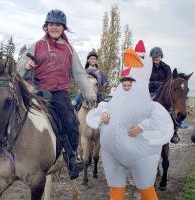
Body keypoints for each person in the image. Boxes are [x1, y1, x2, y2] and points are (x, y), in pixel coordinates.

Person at [86, 41, 173, 200]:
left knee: (145, 185)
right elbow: (108, 104)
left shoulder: (164, 70)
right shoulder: (122, 87)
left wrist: (141, 126)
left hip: (142, 153)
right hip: (112, 153)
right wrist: (104, 112)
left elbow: (157, 116)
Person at [16, 9, 97, 180]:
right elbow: (19, 67)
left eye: (58, 25)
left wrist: (90, 95)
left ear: (63, 28)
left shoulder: (69, 49)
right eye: (51, 24)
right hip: (37, 91)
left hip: (59, 93)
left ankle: (71, 158)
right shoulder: (36, 45)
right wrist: (26, 65)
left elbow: (79, 74)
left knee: (71, 122)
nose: (54, 27)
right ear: (46, 26)